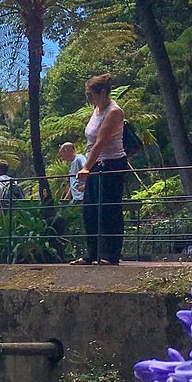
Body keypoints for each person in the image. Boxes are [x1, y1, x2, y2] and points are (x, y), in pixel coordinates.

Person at [74, 73, 128, 266]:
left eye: (91, 95)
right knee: (90, 209)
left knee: (109, 209)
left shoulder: (114, 112)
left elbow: (100, 142)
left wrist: (85, 167)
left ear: (103, 93)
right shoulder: (97, 109)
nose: (89, 99)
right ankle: (92, 252)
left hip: (111, 163)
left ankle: (110, 254)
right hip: (96, 164)